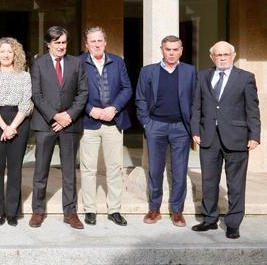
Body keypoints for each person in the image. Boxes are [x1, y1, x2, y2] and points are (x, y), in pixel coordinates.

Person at [190, 41, 260, 239]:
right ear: (212, 57)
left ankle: (233, 223)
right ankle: (210, 219)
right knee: (209, 181)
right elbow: (196, 106)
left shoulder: (245, 78)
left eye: (226, 55)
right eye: (218, 55)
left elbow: (252, 109)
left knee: (236, 184)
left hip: (237, 138)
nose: (222, 58)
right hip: (208, 137)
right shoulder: (202, 76)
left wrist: (254, 135)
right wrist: (195, 131)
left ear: (233, 55)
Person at [29, 26, 88, 229]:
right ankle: (38, 210)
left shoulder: (77, 63)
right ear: (49, 44)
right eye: (57, 43)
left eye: (64, 42)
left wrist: (68, 116)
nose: (61, 46)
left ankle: (70, 212)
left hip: (70, 125)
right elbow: (36, 94)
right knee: (41, 170)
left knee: (69, 170)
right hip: (45, 124)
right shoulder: (38, 63)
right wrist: (55, 115)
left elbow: (83, 93)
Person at [135, 34, 196, 227]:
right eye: (168, 49)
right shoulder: (148, 71)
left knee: (179, 171)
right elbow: (141, 99)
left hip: (181, 128)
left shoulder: (190, 71)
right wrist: (146, 123)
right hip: (156, 126)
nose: (171, 53)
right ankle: (154, 209)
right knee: (155, 170)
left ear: (181, 50)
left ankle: (177, 211)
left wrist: (192, 127)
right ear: (162, 50)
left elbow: (196, 101)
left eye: (175, 49)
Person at [79, 26, 132, 227]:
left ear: (105, 42)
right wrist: (90, 109)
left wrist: (115, 108)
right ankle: (90, 210)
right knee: (88, 168)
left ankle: (114, 210)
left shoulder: (117, 62)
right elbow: (75, 92)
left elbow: (127, 88)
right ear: (87, 45)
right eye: (93, 41)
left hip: (113, 122)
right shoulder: (79, 63)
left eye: (100, 40)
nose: (97, 44)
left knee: (115, 168)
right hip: (89, 122)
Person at [0, 37, 33, 226]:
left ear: (16, 55)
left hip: (19, 120)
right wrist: (4, 127)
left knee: (15, 167)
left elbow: (26, 103)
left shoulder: (24, 76)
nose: (5, 55)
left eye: (9, 51)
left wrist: (13, 126)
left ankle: (12, 211)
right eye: (2, 51)